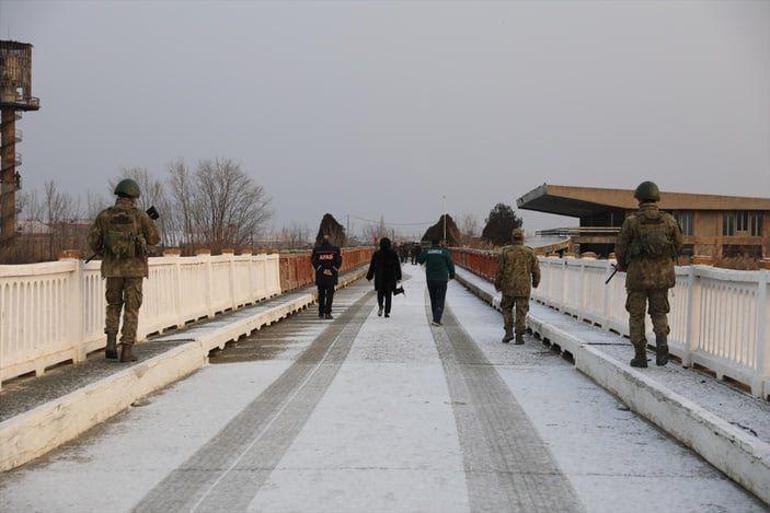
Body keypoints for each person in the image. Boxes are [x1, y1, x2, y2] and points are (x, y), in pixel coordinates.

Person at [88, 178, 160, 362]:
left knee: (113, 306)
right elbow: (154, 239)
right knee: (131, 309)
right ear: (134, 196)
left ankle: (110, 344)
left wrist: (106, 250)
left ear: (118, 195)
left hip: (112, 269)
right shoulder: (140, 216)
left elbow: (93, 241)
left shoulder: (105, 216)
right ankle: (126, 350)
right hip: (134, 270)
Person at [615, 181, 682, 368]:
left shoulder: (631, 222)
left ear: (639, 199)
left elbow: (620, 248)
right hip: (662, 277)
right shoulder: (668, 220)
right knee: (659, 313)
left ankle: (640, 356)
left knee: (637, 316)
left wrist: (623, 264)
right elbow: (678, 244)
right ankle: (662, 344)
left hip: (637, 277)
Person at [494, 228, 540, 344]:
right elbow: (536, 270)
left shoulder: (505, 252)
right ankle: (519, 335)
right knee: (521, 311)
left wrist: (497, 283)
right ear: (522, 238)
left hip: (508, 286)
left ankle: (508, 332)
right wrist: (535, 282)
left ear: (512, 238)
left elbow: (499, 270)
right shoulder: (529, 252)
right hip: (524, 287)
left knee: (506, 308)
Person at [417, 239, 455, 326]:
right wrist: (452, 275)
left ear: (431, 244)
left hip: (430, 279)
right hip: (442, 279)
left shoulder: (428, 251)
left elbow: (419, 260)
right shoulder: (444, 252)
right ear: (439, 243)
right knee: (440, 299)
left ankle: (435, 317)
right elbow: (450, 264)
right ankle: (437, 319)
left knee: (433, 298)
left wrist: (420, 251)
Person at [366, 237, 403, 318]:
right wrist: (398, 276)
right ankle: (387, 312)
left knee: (380, 293)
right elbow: (397, 266)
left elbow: (372, 266)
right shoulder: (393, 254)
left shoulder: (377, 254)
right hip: (390, 278)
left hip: (380, 277)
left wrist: (369, 276)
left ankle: (380, 306)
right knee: (388, 295)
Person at [312, 233, 342, 319]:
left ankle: (321, 312)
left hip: (320, 276)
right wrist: (332, 270)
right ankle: (328, 313)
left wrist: (322, 270)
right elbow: (339, 261)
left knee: (321, 294)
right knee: (330, 295)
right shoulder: (335, 250)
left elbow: (314, 261)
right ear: (329, 240)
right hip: (331, 276)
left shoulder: (317, 250)